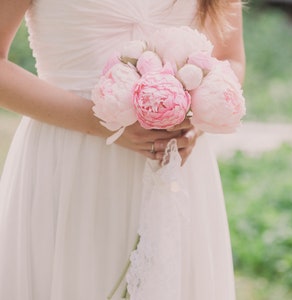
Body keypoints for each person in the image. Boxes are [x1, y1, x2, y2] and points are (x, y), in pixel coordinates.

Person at [0, 0, 245, 299]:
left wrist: (197, 122)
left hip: (175, 169)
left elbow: (230, 58)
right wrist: (99, 121)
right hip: (71, 165)